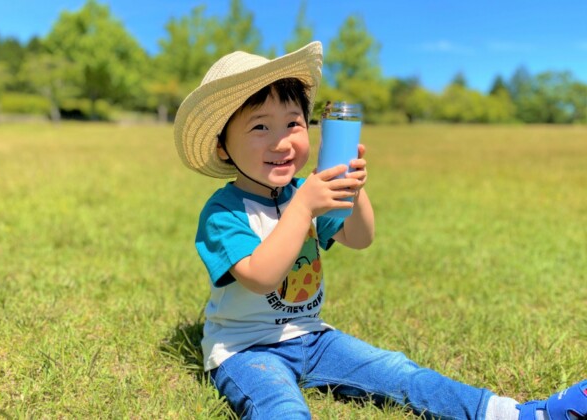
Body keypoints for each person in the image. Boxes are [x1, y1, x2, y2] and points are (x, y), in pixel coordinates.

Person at [173, 41, 587, 420]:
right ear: (223, 146)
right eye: (260, 127)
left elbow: (360, 238)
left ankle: (518, 414)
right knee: (280, 406)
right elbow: (261, 276)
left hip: (313, 337)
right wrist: (303, 208)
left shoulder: (306, 191)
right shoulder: (224, 212)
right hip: (246, 349)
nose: (281, 142)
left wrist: (353, 190)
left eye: (293, 124)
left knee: (398, 371)